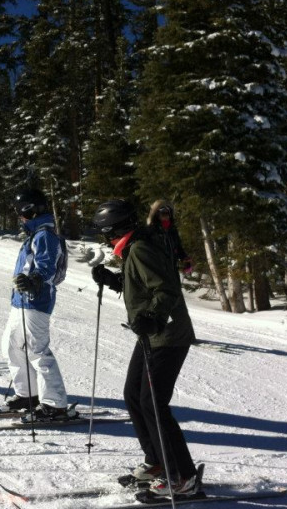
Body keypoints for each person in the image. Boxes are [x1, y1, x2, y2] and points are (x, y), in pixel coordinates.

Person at [91, 199, 199, 498]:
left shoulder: (139, 248)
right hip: (153, 335)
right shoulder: (134, 247)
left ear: (113, 229)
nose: (105, 238)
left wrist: (152, 316)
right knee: (133, 395)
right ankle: (156, 461)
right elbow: (143, 285)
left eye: (105, 233)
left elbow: (166, 289)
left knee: (153, 403)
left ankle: (182, 477)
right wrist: (114, 281)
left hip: (168, 334)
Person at [0, 188, 73, 422]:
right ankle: (28, 394)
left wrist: (33, 281)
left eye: (21, 214)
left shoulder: (45, 236)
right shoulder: (35, 235)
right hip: (21, 301)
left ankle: (55, 404)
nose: (20, 218)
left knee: (37, 351)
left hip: (36, 301)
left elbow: (47, 266)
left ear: (30, 212)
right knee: (10, 345)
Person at [147, 199, 192, 274]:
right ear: (156, 214)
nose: (166, 216)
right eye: (163, 213)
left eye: (168, 213)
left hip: (172, 271)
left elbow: (178, 247)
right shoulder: (150, 232)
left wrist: (185, 259)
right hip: (157, 274)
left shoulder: (172, 231)